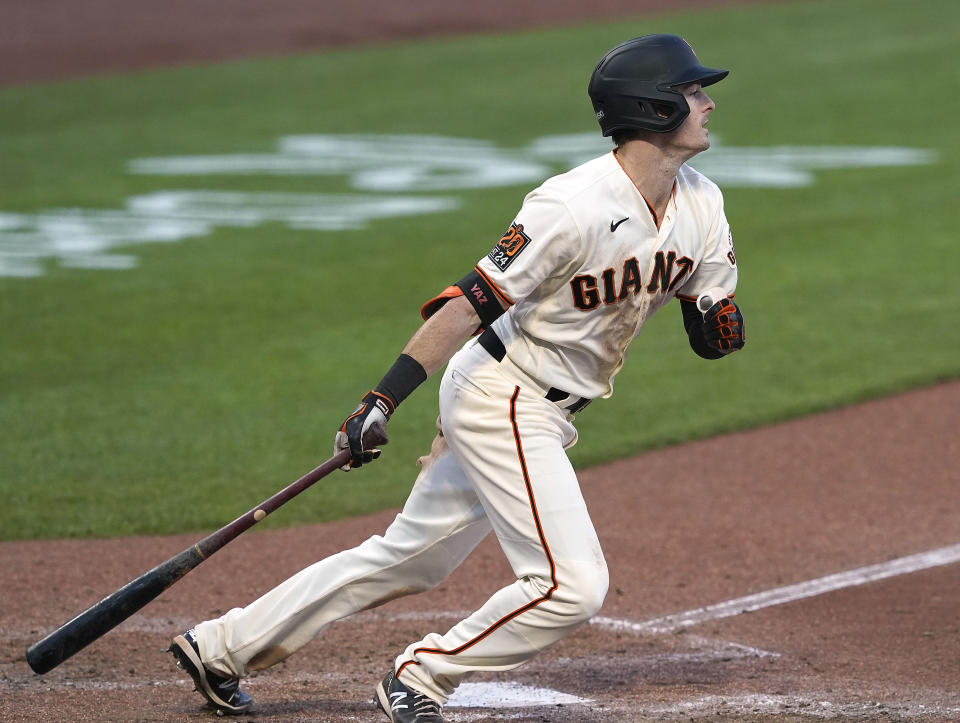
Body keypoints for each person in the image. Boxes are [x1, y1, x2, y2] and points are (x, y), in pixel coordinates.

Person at [169, 34, 745, 722]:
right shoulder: (571, 206)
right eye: (692, 92)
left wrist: (717, 323)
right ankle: (423, 674)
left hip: (535, 406)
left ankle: (221, 645)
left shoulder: (703, 204)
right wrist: (381, 399)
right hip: (503, 394)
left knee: (411, 559)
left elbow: (711, 322)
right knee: (573, 584)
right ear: (653, 109)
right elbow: (471, 302)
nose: (707, 102)